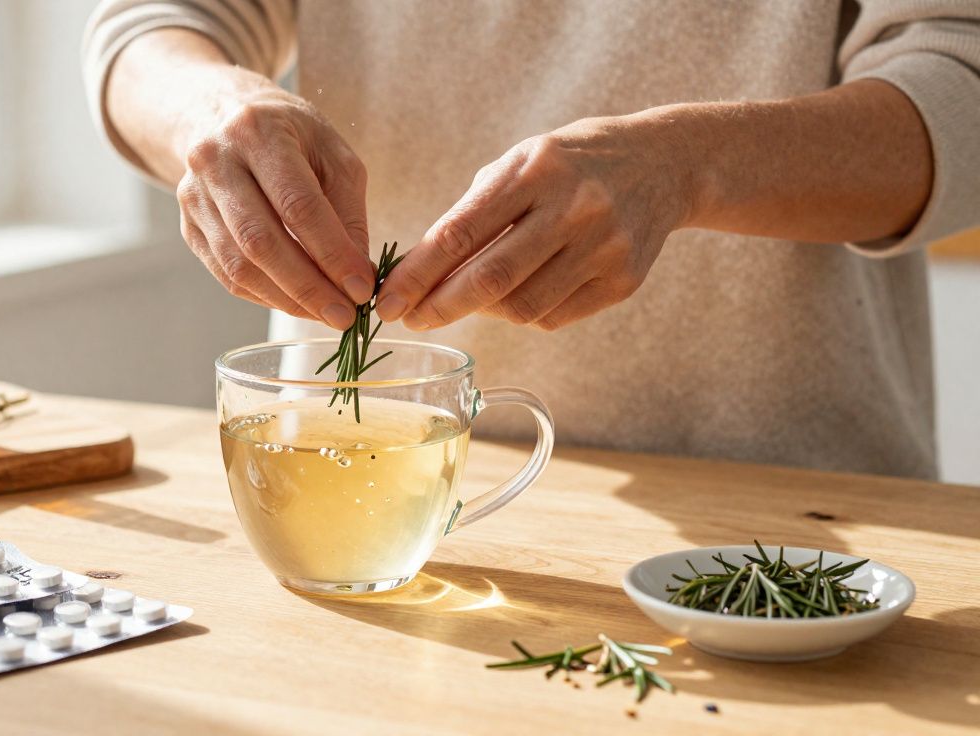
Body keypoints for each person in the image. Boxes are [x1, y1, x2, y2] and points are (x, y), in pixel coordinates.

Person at [83, 1, 980, 479]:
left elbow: (959, 78)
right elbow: (148, 24)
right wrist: (206, 107)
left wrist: (686, 166)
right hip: (370, 483)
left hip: (796, 511)